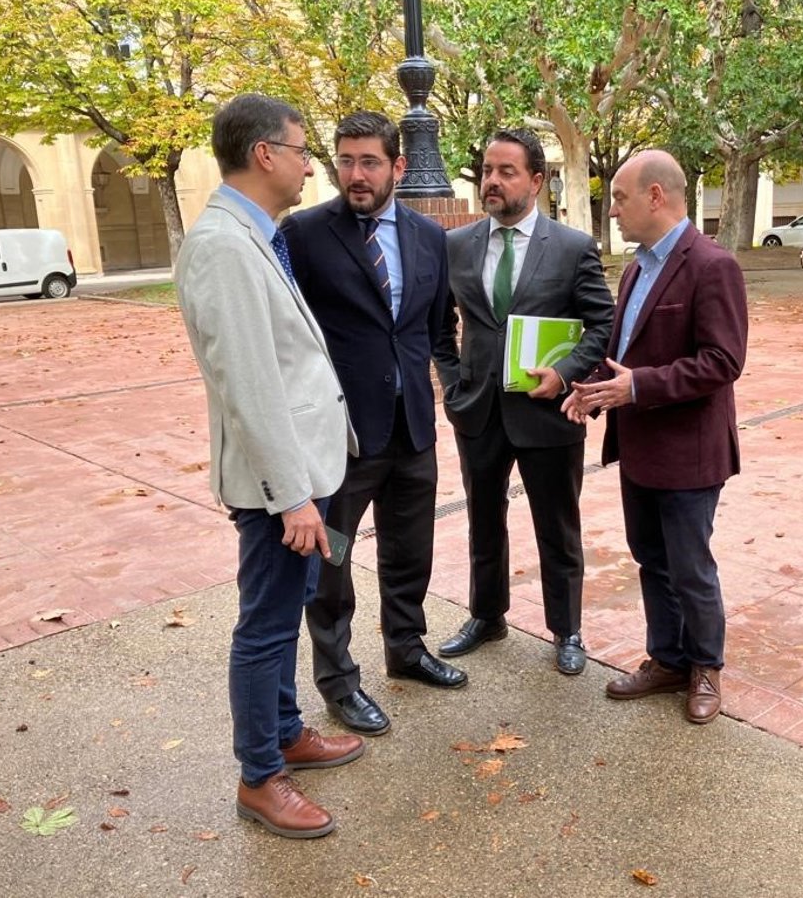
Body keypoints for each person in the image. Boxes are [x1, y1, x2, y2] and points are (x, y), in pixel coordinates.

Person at [175, 93, 364, 839]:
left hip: (299, 474)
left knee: (286, 614)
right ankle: (260, 776)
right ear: (264, 154)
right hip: (275, 487)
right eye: (301, 150)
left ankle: (284, 733)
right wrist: (291, 497)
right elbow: (249, 386)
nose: (309, 166)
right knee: (266, 627)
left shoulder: (253, 235)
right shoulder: (224, 246)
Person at [280, 111, 466, 738]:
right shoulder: (303, 234)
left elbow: (436, 328)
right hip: (341, 437)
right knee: (331, 563)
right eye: (345, 161)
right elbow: (290, 335)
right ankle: (338, 680)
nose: (355, 175)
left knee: (410, 550)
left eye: (369, 162)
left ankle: (406, 649)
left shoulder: (428, 237)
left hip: (412, 428)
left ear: (398, 167)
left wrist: (449, 387)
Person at [562, 150, 747, 725]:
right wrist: (588, 387)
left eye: (620, 198)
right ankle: (668, 659)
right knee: (651, 560)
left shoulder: (712, 265)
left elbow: (722, 361)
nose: (613, 210)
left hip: (690, 452)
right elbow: (624, 351)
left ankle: (706, 667)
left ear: (656, 196)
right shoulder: (635, 268)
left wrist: (637, 387)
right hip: (639, 449)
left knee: (690, 567)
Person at [433, 128, 614, 675]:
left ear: (536, 181)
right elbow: (438, 327)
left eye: (506, 172)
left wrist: (565, 374)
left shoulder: (573, 247)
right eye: (488, 170)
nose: (492, 181)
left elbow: (601, 325)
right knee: (484, 522)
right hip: (478, 412)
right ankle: (487, 616)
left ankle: (567, 629)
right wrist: (453, 383)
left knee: (557, 527)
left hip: (548, 415)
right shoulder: (456, 245)